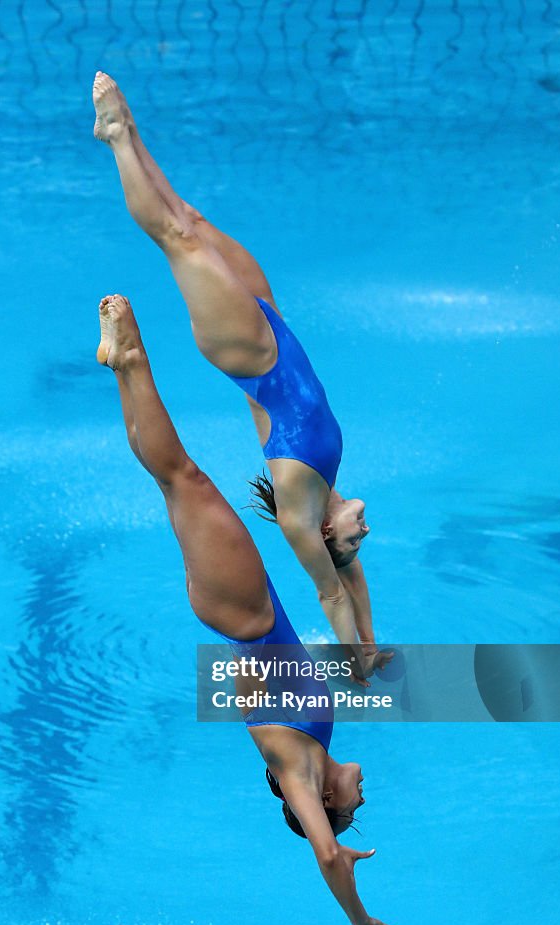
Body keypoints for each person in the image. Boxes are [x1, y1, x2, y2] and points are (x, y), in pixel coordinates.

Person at [96, 292, 396, 925]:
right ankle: (128, 362)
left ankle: (128, 362)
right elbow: (266, 683)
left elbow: (325, 857)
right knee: (183, 484)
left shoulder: (294, 769)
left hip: (243, 614)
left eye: (347, 815)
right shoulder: (310, 741)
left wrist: (356, 913)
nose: (360, 805)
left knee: (182, 481)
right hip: (252, 612)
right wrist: (362, 652)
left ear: (323, 806)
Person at [92, 72, 392, 680]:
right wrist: (369, 645)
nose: (366, 528)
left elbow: (329, 591)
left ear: (328, 532)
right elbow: (351, 579)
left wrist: (351, 669)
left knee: (177, 238)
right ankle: (124, 131)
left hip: (249, 352)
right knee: (194, 221)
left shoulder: (299, 512)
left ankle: (119, 139)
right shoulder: (327, 494)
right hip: (275, 331)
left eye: (355, 537)